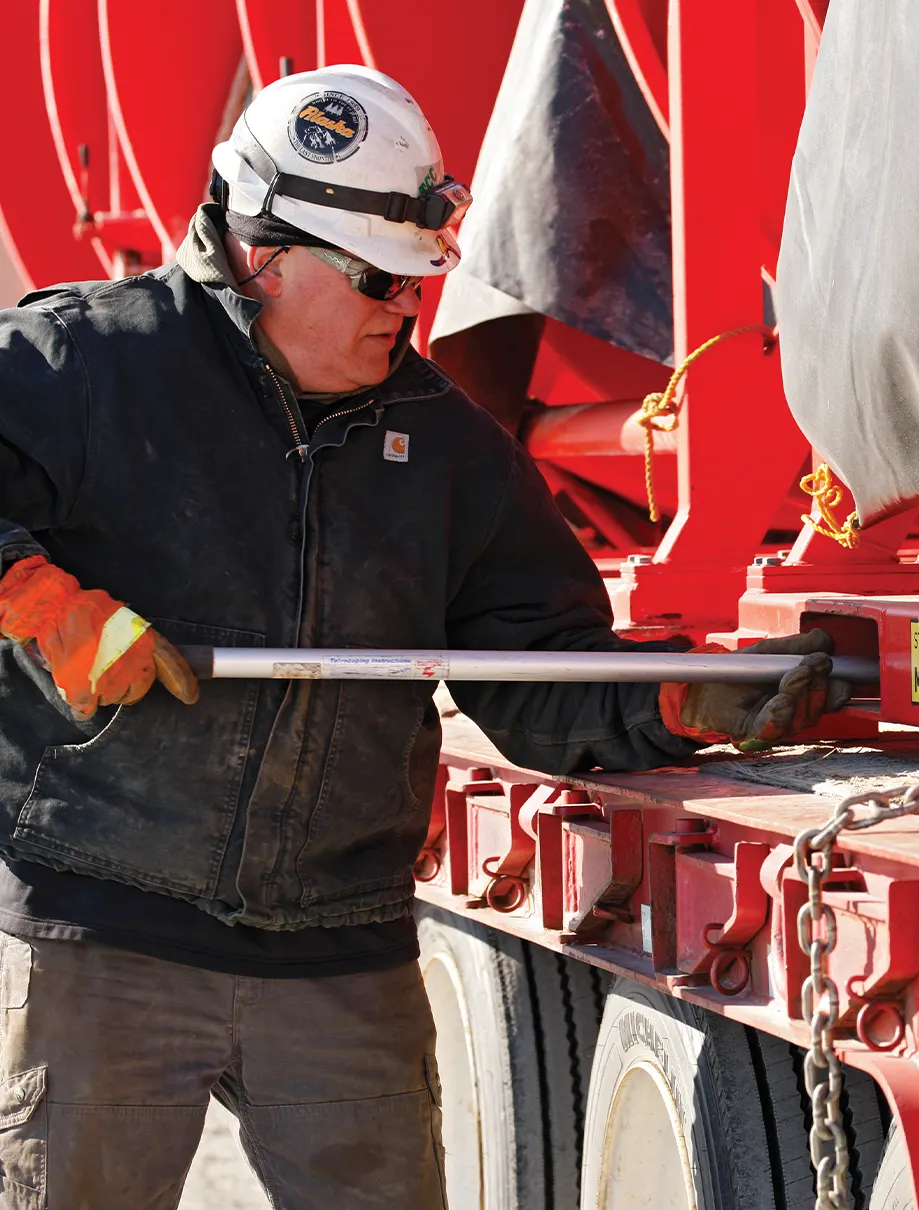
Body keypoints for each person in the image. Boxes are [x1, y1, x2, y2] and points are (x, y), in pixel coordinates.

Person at [0, 65, 845, 1208]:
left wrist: (674, 698)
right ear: (265, 251)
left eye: (418, 278)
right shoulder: (86, 366)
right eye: (378, 279)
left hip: (338, 949)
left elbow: (535, 677)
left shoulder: (449, 452)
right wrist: (40, 600)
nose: (408, 307)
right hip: (109, 929)